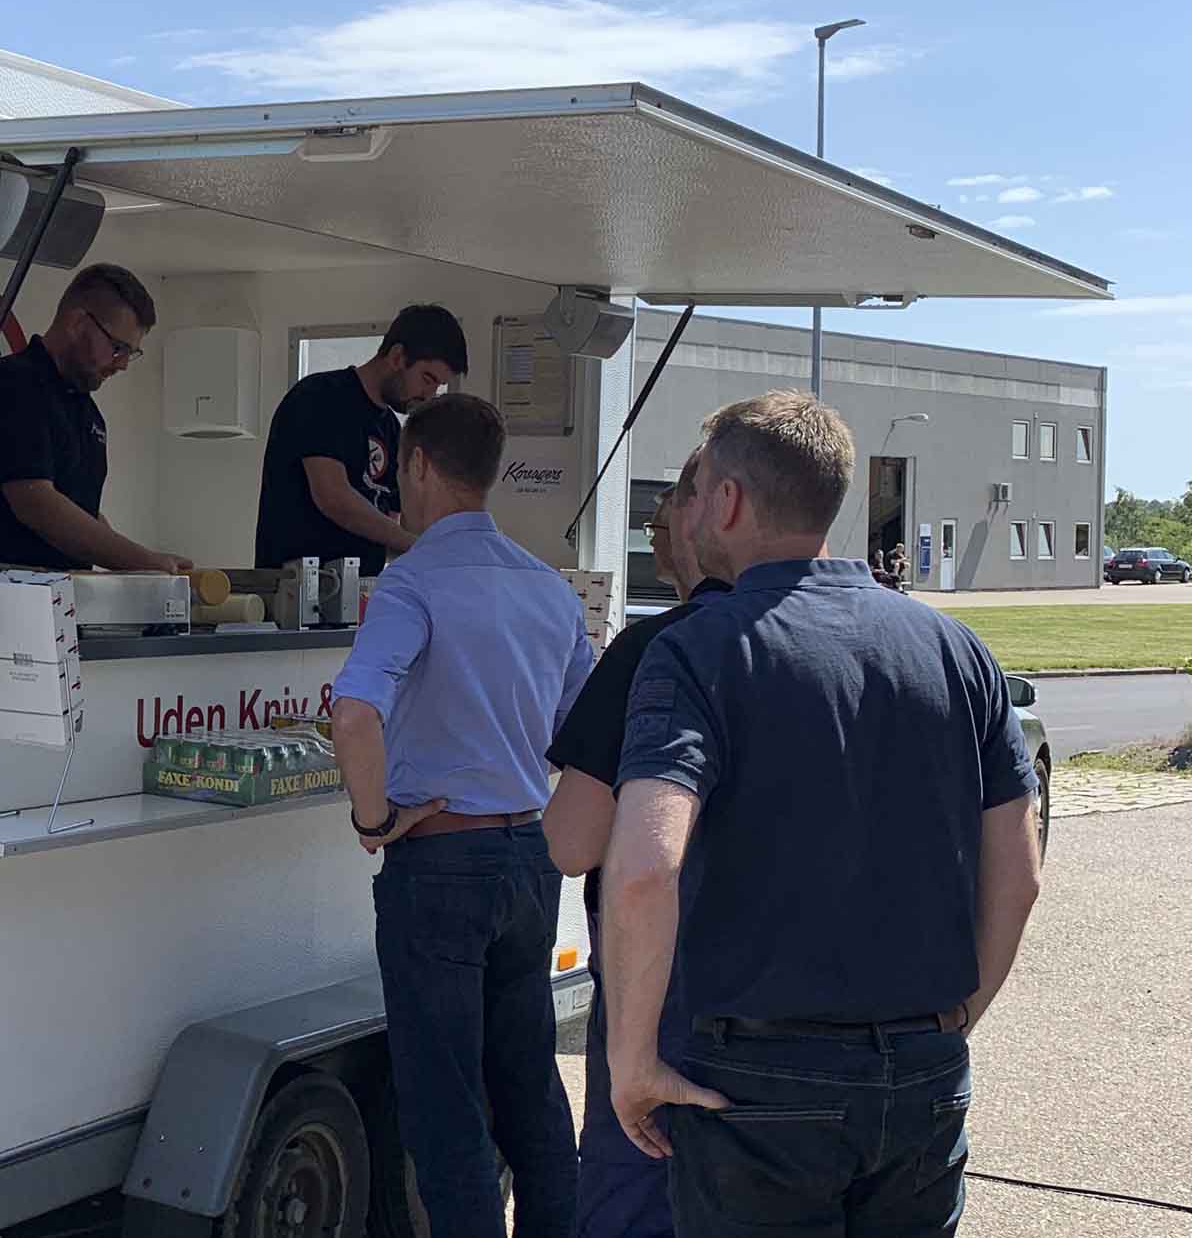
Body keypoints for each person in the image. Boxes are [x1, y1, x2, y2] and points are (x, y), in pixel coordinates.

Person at [601, 391, 1045, 1237]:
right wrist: (953, 1023)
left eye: (697, 491)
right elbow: (1019, 875)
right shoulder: (958, 650)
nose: (687, 513)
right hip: (923, 1072)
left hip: (759, 1082)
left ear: (728, 500)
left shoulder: (695, 650)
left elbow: (644, 869)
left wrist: (631, 1058)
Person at [328, 392, 594, 1238]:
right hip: (530, 857)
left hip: (439, 864)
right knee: (529, 1089)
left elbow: (354, 713)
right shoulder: (548, 587)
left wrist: (375, 819)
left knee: (446, 1112)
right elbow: (584, 735)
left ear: (417, 464)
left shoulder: (413, 581)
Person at [540, 457, 727, 1238]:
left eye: (659, 518)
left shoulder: (654, 650)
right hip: (800, 1008)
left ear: (700, 514)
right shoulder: (851, 645)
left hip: (660, 994)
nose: (656, 536)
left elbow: (571, 840)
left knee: (633, 1204)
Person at [0, 264, 192, 574]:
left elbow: (80, 511)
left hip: (56, 595)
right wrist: (144, 561)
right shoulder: (15, 383)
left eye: (131, 353)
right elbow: (36, 503)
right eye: (117, 348)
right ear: (77, 323)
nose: (123, 364)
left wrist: (143, 564)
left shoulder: (87, 413)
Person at [255, 304, 468, 575]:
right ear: (397, 357)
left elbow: (387, 529)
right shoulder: (319, 397)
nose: (429, 394)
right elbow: (334, 497)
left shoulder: (391, 429)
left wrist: (446, 552)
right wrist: (418, 546)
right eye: (427, 379)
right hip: (295, 590)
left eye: (438, 386)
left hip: (360, 592)